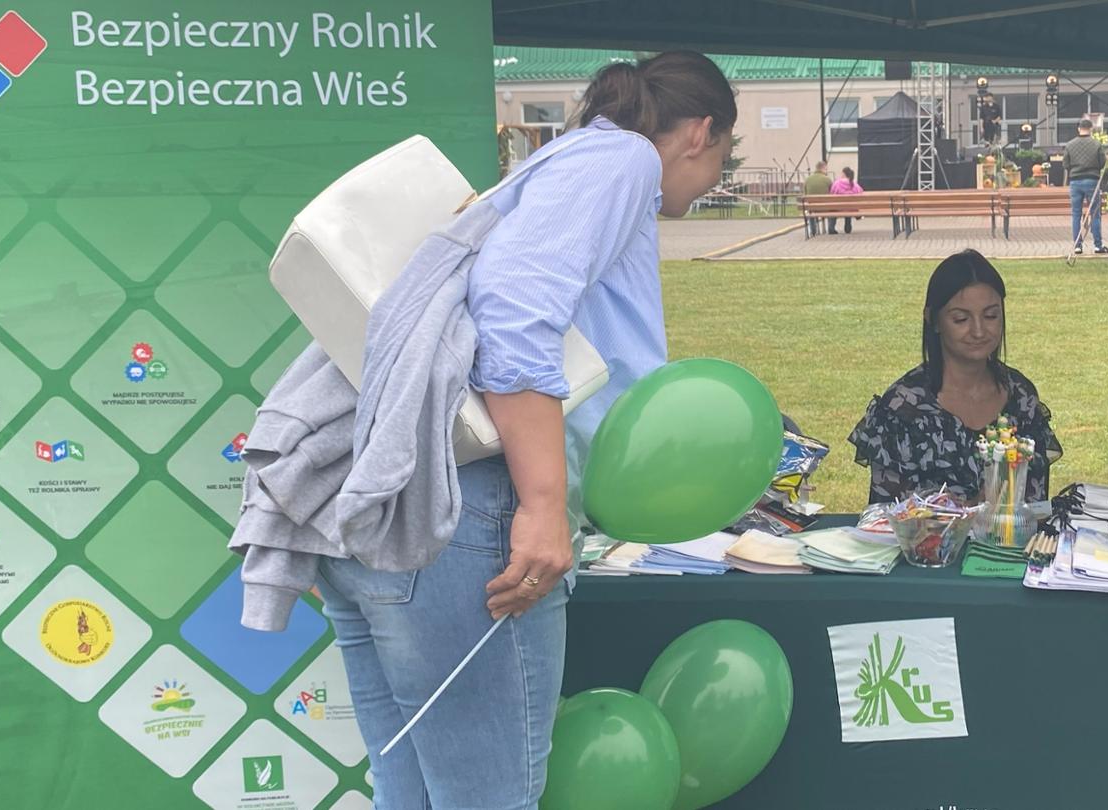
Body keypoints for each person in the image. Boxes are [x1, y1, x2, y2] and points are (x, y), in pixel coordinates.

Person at [316, 51, 737, 808]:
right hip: (469, 515)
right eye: (724, 159)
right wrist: (543, 506)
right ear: (702, 133)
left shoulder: (561, 163)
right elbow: (513, 308)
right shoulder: (625, 160)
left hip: (388, 507)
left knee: (411, 796)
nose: (714, 180)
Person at [849, 249, 1062, 504]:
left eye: (991, 316)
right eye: (961, 319)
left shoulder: (1021, 396)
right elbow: (888, 514)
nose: (979, 331)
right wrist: (969, 511)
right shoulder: (903, 408)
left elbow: (1036, 503)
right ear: (933, 320)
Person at [1063, 118, 1108, 255]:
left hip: (1075, 182)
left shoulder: (1070, 145)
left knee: (1076, 214)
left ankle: (1077, 246)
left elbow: (1065, 164)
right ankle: (1098, 245)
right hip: (1092, 180)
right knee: (1095, 214)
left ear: (1079, 128)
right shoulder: (1096, 144)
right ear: (1091, 129)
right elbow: (1102, 162)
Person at [828, 166, 863, 234]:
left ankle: (831, 228)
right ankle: (847, 227)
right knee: (849, 206)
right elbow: (860, 192)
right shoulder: (854, 184)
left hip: (838, 207)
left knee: (833, 208)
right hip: (851, 208)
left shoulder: (837, 183)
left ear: (843, 174)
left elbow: (832, 193)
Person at [803, 160, 832, 235]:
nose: (826, 171)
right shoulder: (827, 179)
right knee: (832, 208)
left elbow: (805, 194)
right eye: (826, 169)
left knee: (810, 210)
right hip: (825, 208)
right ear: (823, 168)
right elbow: (832, 194)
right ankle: (830, 229)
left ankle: (813, 230)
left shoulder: (807, 180)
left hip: (812, 208)